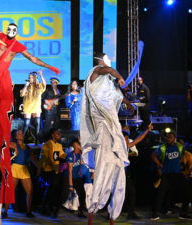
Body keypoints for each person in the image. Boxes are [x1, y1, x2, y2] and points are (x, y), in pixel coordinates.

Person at [0, 0, 59, 207]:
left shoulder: (17, 46)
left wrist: (49, 66)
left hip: (2, 84)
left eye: (14, 29)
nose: (10, 31)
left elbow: (33, 59)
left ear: (16, 32)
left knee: (3, 115)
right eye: (9, 28)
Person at [80, 52, 130, 224]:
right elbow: (107, 69)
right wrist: (120, 76)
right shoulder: (96, 72)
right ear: (100, 60)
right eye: (107, 58)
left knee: (119, 175)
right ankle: (92, 210)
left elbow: (118, 95)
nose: (108, 62)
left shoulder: (108, 85)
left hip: (114, 132)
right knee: (102, 174)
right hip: (102, 128)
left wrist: (129, 104)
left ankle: (112, 216)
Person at [150, 132, 192, 221]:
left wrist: (178, 164)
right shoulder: (162, 147)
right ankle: (154, 214)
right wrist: (159, 164)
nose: (168, 139)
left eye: (170, 137)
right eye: (167, 137)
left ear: (174, 138)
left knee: (186, 193)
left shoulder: (179, 146)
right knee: (160, 194)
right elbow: (153, 155)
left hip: (177, 174)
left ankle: (183, 213)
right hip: (166, 174)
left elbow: (183, 155)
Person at [122, 123, 153, 220]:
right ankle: (113, 213)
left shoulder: (127, 146)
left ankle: (129, 213)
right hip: (118, 173)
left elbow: (138, 140)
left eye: (127, 138)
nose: (127, 140)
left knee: (130, 192)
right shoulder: (117, 147)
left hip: (125, 172)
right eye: (125, 138)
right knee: (124, 192)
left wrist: (147, 130)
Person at [7, 129, 39, 218]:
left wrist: (39, 167)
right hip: (15, 168)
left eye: (22, 133)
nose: (21, 135)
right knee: (11, 191)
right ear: (16, 136)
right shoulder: (13, 144)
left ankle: (28, 211)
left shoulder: (28, 147)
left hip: (24, 169)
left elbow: (33, 159)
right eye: (19, 134)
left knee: (30, 191)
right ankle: (5, 211)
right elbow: (4, 143)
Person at [39, 128, 67, 218]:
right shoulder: (47, 145)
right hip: (48, 170)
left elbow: (62, 155)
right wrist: (55, 167)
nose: (59, 134)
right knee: (50, 190)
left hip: (56, 170)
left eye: (59, 133)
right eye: (57, 133)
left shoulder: (59, 145)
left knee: (55, 190)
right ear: (52, 135)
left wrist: (71, 155)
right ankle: (44, 208)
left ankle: (50, 207)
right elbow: (48, 159)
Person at [66, 139, 92, 218]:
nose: (81, 146)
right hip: (73, 178)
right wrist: (70, 184)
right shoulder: (71, 155)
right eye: (79, 144)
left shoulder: (80, 154)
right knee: (74, 194)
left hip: (78, 178)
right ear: (75, 145)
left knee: (81, 194)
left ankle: (79, 211)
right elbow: (70, 171)